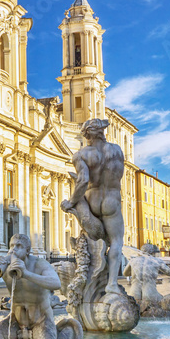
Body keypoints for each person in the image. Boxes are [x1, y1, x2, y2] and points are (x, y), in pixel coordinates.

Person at [0, 234, 79, 339]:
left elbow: (56, 283)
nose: (14, 249)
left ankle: (67, 330)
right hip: (15, 321)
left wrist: (25, 274)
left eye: (19, 246)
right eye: (12, 246)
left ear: (27, 251)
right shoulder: (5, 264)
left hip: (40, 320)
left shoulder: (39, 264)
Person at [60, 118, 125, 293]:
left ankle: (91, 279)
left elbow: (82, 181)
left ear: (86, 135)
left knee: (91, 241)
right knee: (116, 242)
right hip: (112, 200)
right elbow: (119, 176)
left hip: (92, 200)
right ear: (102, 132)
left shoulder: (81, 155)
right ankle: (111, 283)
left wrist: (72, 202)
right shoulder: (117, 151)